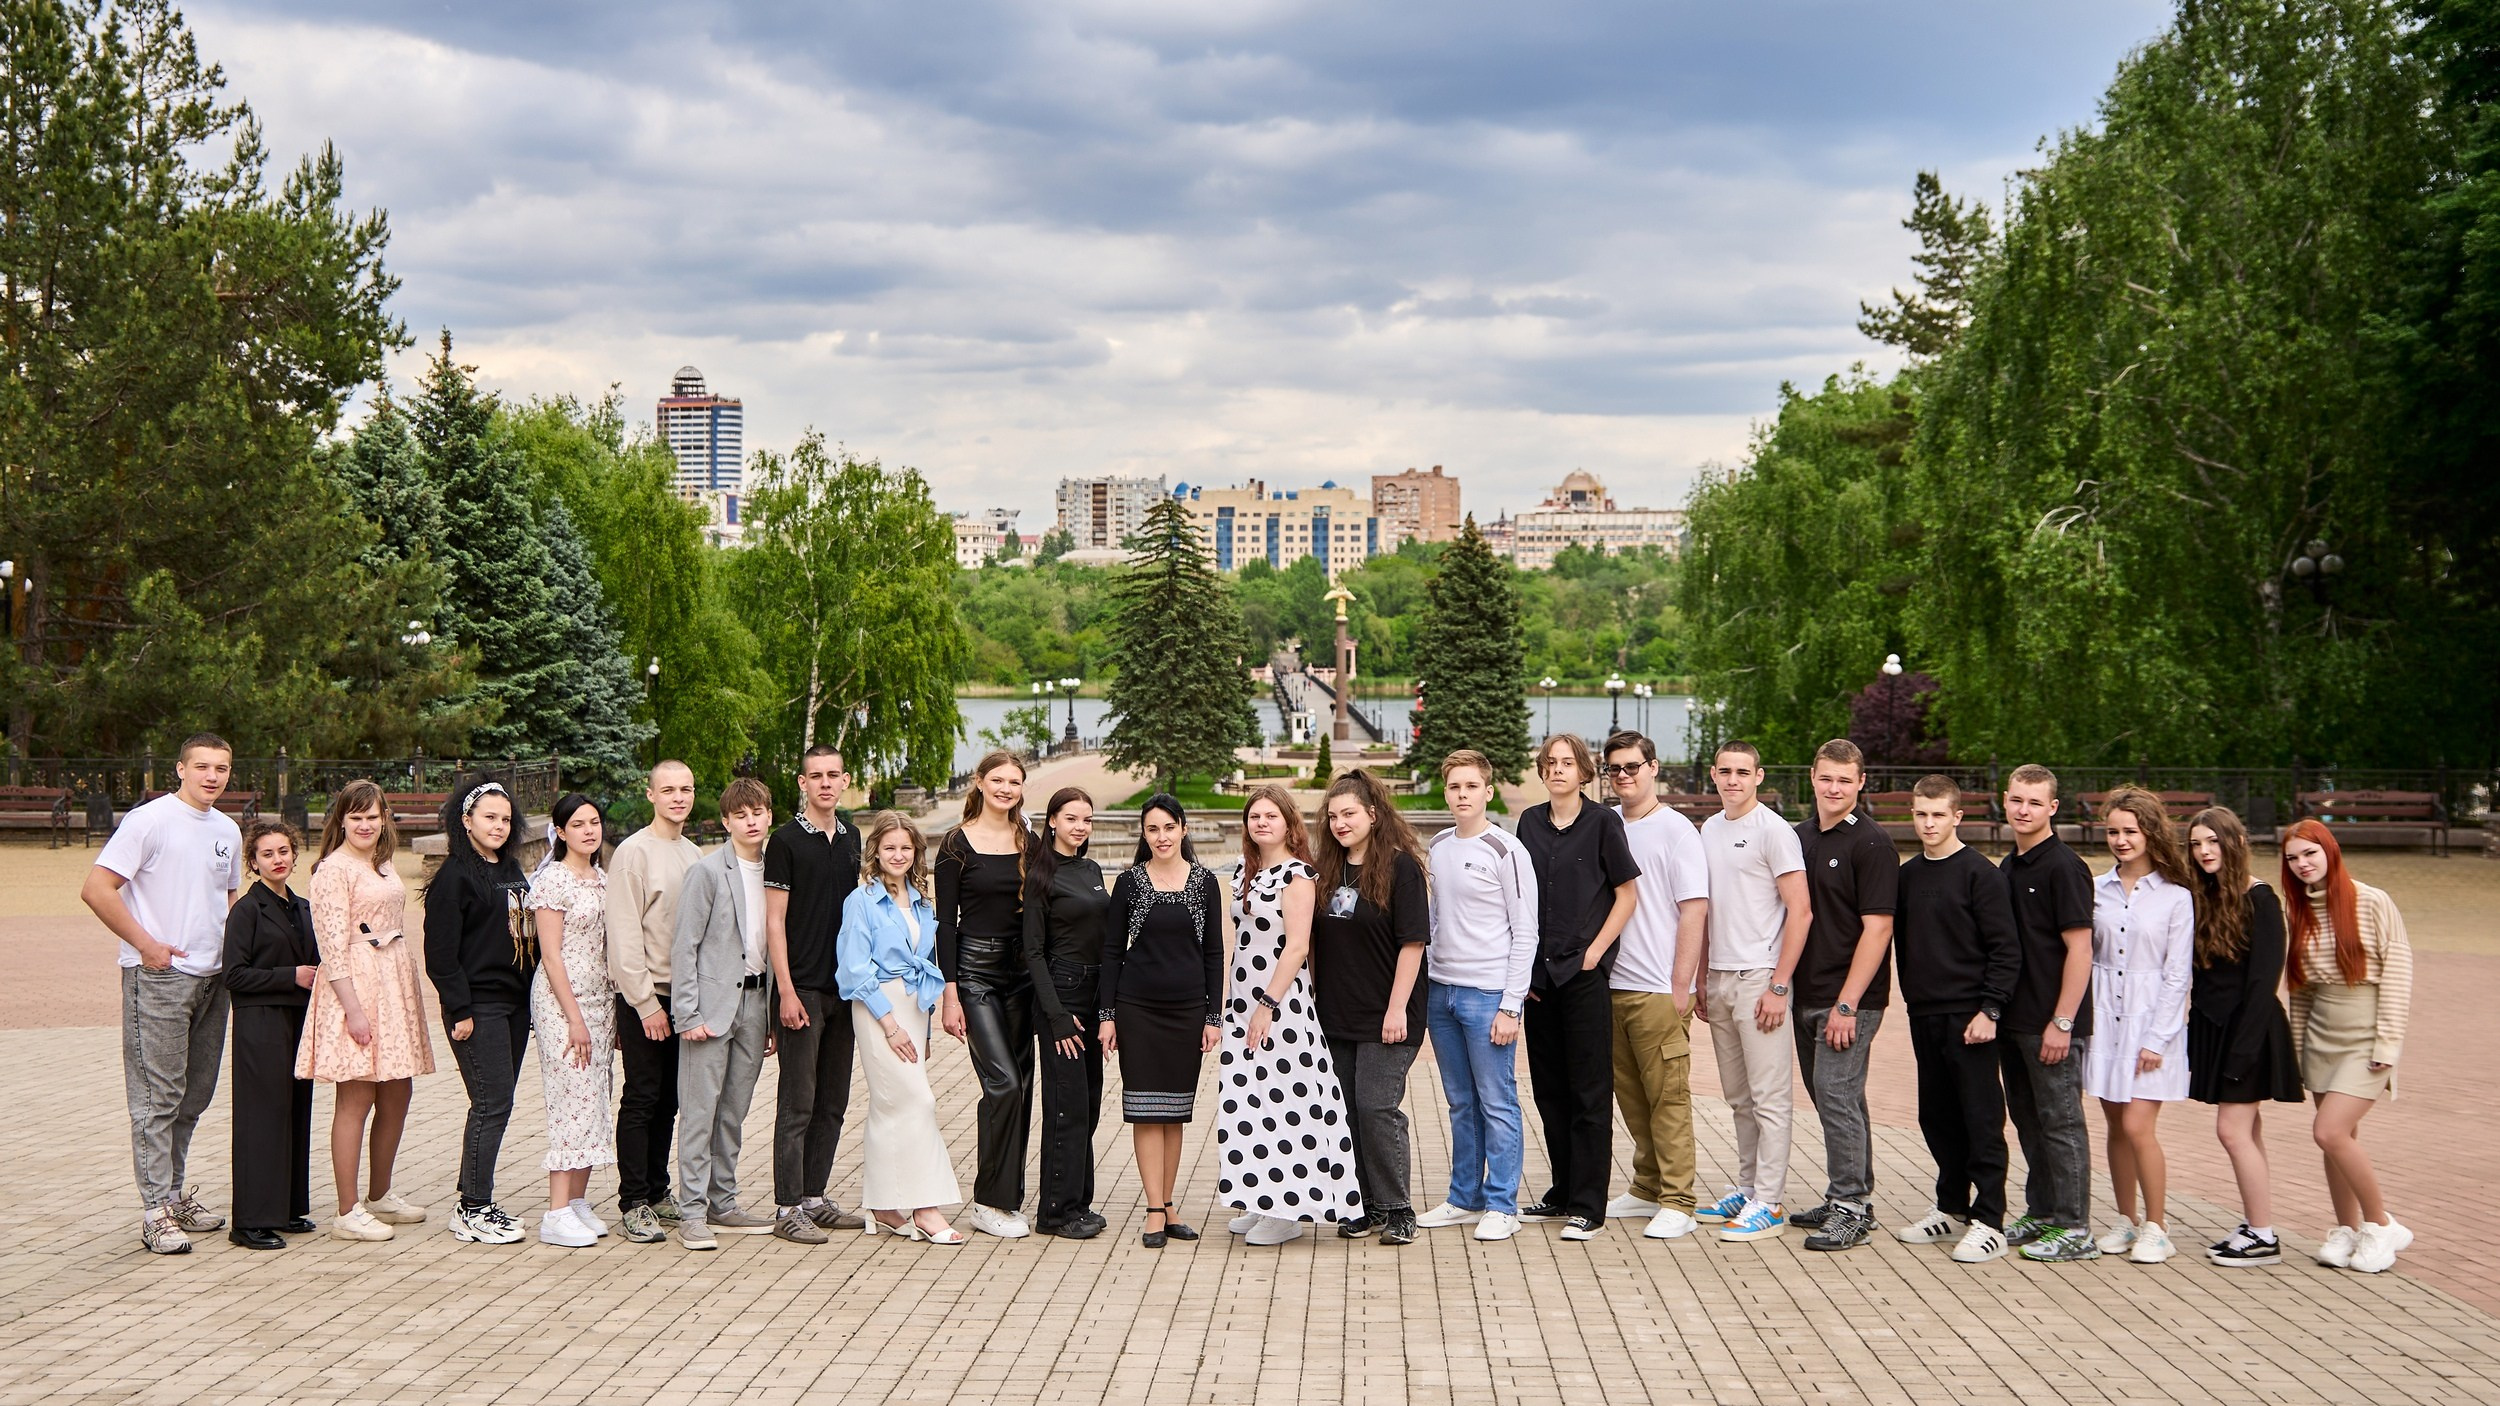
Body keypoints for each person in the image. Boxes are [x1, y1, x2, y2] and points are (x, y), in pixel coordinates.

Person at [83, 732, 244, 1253]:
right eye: (201, 766)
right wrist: (146, 945)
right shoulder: (149, 821)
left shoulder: (227, 829)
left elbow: (228, 898)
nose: (212, 776)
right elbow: (96, 888)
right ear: (180, 769)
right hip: (159, 978)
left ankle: (174, 1197)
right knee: (157, 1098)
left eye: (221, 768)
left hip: (213, 978)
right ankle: (154, 1212)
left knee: (193, 1096)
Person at [1888, 776, 2022, 1265]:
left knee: (1980, 1117)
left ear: (1957, 817)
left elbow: (2005, 950)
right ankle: (1951, 1206)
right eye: (1921, 814)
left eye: (1938, 815)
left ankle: (1990, 1219)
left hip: (1972, 1018)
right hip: (1924, 1013)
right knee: (1936, 1116)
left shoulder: (1980, 875)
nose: (1928, 824)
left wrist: (1990, 1009)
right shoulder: (1908, 877)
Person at [1221, 785, 1362, 1246]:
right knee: (1249, 1100)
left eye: (1271, 816)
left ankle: (1289, 1208)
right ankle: (1258, 1194)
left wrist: (1268, 1004)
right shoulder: (1246, 870)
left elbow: (1297, 946)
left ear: (1288, 823)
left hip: (1279, 1005)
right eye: (1254, 816)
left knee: (1286, 1101)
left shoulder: (1297, 875)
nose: (1261, 823)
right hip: (1243, 1001)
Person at [1515, 734, 1640, 1240]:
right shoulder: (1528, 823)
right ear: (1542, 772)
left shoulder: (1603, 823)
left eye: (1568, 763)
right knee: (1549, 1090)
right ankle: (1562, 1189)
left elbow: (1627, 895)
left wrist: (1594, 952)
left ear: (1584, 772)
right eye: (1550, 763)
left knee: (1590, 1092)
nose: (1558, 770)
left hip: (1584, 977)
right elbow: (1519, 898)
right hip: (1539, 979)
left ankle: (1589, 1203)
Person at [298, 780, 435, 1241]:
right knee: (356, 1097)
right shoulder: (332, 870)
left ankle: (380, 1195)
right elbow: (332, 947)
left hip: (393, 984)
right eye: (354, 817)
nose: (364, 824)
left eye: (372, 816)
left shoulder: (382, 864)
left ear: (384, 819)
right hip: (354, 987)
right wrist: (353, 1010)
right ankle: (346, 1209)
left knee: (398, 1091)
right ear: (341, 821)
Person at [1415, 750, 1538, 1244]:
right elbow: (1435, 918)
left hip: (1488, 994)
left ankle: (1503, 1203)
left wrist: (1512, 1004)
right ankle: (1464, 1196)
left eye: (1471, 786)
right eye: (1453, 787)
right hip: (1442, 991)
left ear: (1487, 792)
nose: (1461, 795)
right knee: (1460, 1103)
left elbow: (1525, 930)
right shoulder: (1439, 845)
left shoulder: (1506, 850)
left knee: (1496, 1101)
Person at [2282, 820, 2414, 1275]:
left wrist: (2388, 1042)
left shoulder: (2372, 900)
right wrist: (2298, 1050)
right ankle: (2346, 1229)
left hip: (2365, 1036)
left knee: (2329, 1131)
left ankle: (2381, 1225)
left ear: (2330, 851)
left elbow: (2398, 973)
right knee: (2338, 1141)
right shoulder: (2297, 908)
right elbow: (2299, 989)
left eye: (2310, 854)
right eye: (2293, 858)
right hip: (2321, 1037)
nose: (2302, 865)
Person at [1311, 769, 1433, 1247]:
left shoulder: (1401, 867)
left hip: (1390, 1012)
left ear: (1373, 814)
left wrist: (1397, 1008)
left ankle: (1398, 1207)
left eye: (1349, 814)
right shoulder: (1327, 870)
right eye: (1334, 816)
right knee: (1345, 1110)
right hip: (1338, 1013)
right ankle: (1361, 1203)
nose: (1340, 823)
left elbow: (1413, 944)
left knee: (1377, 1106)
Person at [1598, 731, 1710, 1242]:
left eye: (1632, 767)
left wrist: (1680, 985)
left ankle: (1679, 1199)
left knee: (1668, 1095)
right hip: (1612, 985)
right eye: (1614, 769)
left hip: (1657, 988)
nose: (1624, 776)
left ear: (1653, 767)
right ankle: (1646, 1184)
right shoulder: (1607, 825)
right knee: (1631, 1095)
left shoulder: (1677, 831)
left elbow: (1694, 910)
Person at [1696, 740, 1809, 1243]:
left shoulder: (1775, 832)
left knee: (1770, 1098)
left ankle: (1770, 1200)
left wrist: (1779, 985)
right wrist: (1701, 975)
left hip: (1760, 978)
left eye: (1743, 772)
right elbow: (1706, 910)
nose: (1733, 780)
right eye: (1725, 772)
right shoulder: (1710, 829)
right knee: (1738, 1098)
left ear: (1759, 776)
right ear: (1714, 776)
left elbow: (1801, 912)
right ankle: (1745, 1188)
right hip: (1719, 976)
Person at [1099, 794, 1224, 1248]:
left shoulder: (1205, 882)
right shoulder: (1130, 883)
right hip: (1137, 1010)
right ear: (1144, 834)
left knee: (1174, 1115)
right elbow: (1112, 952)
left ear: (1184, 829)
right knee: (1146, 1113)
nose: (1162, 837)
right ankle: (1154, 1208)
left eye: (1169, 827)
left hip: (1187, 1011)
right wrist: (1107, 1016)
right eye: (1152, 829)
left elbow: (1214, 953)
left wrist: (1214, 1016)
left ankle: (1169, 1204)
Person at [1788, 739, 1898, 1252]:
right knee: (1836, 1096)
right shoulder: (1798, 837)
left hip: (1849, 1001)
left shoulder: (1871, 844)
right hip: (1804, 992)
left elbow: (1877, 930)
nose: (1834, 788)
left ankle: (1850, 1205)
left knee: (1835, 1095)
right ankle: (1851, 1199)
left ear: (1860, 784)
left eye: (1844, 780)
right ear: (1813, 776)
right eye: (1826, 777)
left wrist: (1847, 1005)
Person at [840, 811, 965, 1244]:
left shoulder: (921, 902)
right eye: (889, 847)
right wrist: (891, 1025)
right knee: (918, 1101)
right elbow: (854, 971)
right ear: (876, 851)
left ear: (916, 854)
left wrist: (924, 1029)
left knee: (889, 1108)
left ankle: (883, 1206)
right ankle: (926, 1208)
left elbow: (928, 963)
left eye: (905, 848)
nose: (897, 855)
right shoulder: (861, 901)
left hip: (914, 1007)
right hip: (879, 1009)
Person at [2186, 806, 2303, 1267]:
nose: (2204, 851)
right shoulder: (2205, 896)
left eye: (2212, 841)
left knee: (2231, 1131)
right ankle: (2257, 1222)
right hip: (2214, 1028)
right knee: (2248, 1132)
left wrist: (2242, 1050)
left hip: (2249, 1032)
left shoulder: (2262, 899)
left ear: (2234, 843)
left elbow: (2262, 984)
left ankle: (2263, 1236)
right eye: (2196, 843)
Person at [670, 778, 783, 1250]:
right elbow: (685, 946)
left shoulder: (777, 869)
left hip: (757, 1003)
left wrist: (773, 1016)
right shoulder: (708, 871)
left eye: (758, 812)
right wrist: (687, 1013)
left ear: (769, 816)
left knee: (734, 1110)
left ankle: (723, 1200)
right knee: (700, 1110)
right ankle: (692, 1210)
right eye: (741, 815)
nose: (751, 821)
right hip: (711, 1008)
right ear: (726, 821)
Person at [2085, 785, 2195, 1266]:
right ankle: (2126, 1220)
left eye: (2130, 831)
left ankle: (2158, 1225)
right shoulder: (2095, 889)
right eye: (2113, 831)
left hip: (2152, 1022)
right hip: (2105, 1017)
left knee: (2137, 1124)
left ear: (2151, 832)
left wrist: (2157, 1038)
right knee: (2114, 1124)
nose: (2121, 840)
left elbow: (2178, 973)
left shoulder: (2176, 898)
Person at [935, 750, 1041, 1239]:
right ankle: (987, 1201)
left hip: (1022, 974)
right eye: (996, 779)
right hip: (975, 975)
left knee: (1021, 1085)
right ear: (978, 783)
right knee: (1003, 1085)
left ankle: (1008, 1200)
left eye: (1014, 781)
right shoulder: (956, 845)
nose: (1005, 788)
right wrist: (950, 994)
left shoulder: (1029, 840)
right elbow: (945, 925)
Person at [423, 776, 534, 1245]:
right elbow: (440, 956)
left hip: (513, 1006)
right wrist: (460, 1010)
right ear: (465, 821)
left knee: (497, 1104)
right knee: (492, 1103)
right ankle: (473, 1207)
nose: (499, 826)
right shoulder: (454, 877)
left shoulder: (510, 870)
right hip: (477, 1008)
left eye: (506, 819)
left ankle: (473, 1196)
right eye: (489, 817)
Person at [1997, 765, 2101, 1264]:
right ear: (2005, 800)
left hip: (2053, 1024)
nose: (2024, 810)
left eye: (2035, 803)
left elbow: (2080, 951)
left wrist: (2062, 1022)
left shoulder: (2065, 867)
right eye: (2017, 800)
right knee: (2029, 1121)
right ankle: (2042, 1211)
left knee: (2062, 1123)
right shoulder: (2009, 867)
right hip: (2015, 1020)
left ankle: (2076, 1225)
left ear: (2053, 808)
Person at [763, 746, 866, 1243]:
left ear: (844, 781)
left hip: (844, 989)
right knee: (797, 1101)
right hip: (801, 988)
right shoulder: (784, 841)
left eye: (832, 776)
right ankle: (786, 1208)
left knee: (833, 1100)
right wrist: (785, 991)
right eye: (815, 776)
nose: (825, 783)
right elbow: (774, 922)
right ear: (802, 783)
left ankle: (814, 1198)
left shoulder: (851, 837)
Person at [605, 760, 703, 1242]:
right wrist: (645, 1005)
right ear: (651, 795)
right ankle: (634, 1201)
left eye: (685, 789)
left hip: (685, 997)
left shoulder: (692, 852)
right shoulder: (633, 854)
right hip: (646, 997)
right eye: (668, 790)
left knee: (670, 1100)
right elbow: (624, 936)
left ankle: (660, 1191)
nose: (678, 798)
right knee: (642, 1097)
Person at [220, 817, 318, 1250]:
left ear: (294, 855)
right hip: (260, 1022)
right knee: (262, 1118)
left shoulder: (302, 907)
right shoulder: (246, 910)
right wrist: (290, 976)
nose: (277, 860)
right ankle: (249, 1221)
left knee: (296, 1109)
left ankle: (288, 1208)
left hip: (299, 1021)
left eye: (283, 851)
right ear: (253, 863)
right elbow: (234, 975)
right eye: (267, 854)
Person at [528, 793, 618, 1248]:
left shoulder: (602, 879)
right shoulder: (552, 881)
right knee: (571, 1096)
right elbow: (550, 955)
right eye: (578, 824)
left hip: (601, 1001)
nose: (589, 830)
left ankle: (579, 1200)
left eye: (595, 822)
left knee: (595, 1095)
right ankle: (556, 1209)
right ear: (560, 832)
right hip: (562, 1002)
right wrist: (575, 1019)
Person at [1022, 787, 1111, 1239]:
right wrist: (1055, 1016)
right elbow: (1033, 952)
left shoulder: (1092, 869)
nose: (1081, 827)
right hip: (1062, 996)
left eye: (1088, 820)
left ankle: (1080, 1202)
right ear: (1052, 821)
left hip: (1095, 997)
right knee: (1065, 1106)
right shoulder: (1041, 874)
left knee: (1090, 1105)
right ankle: (1055, 1213)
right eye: (1072, 818)